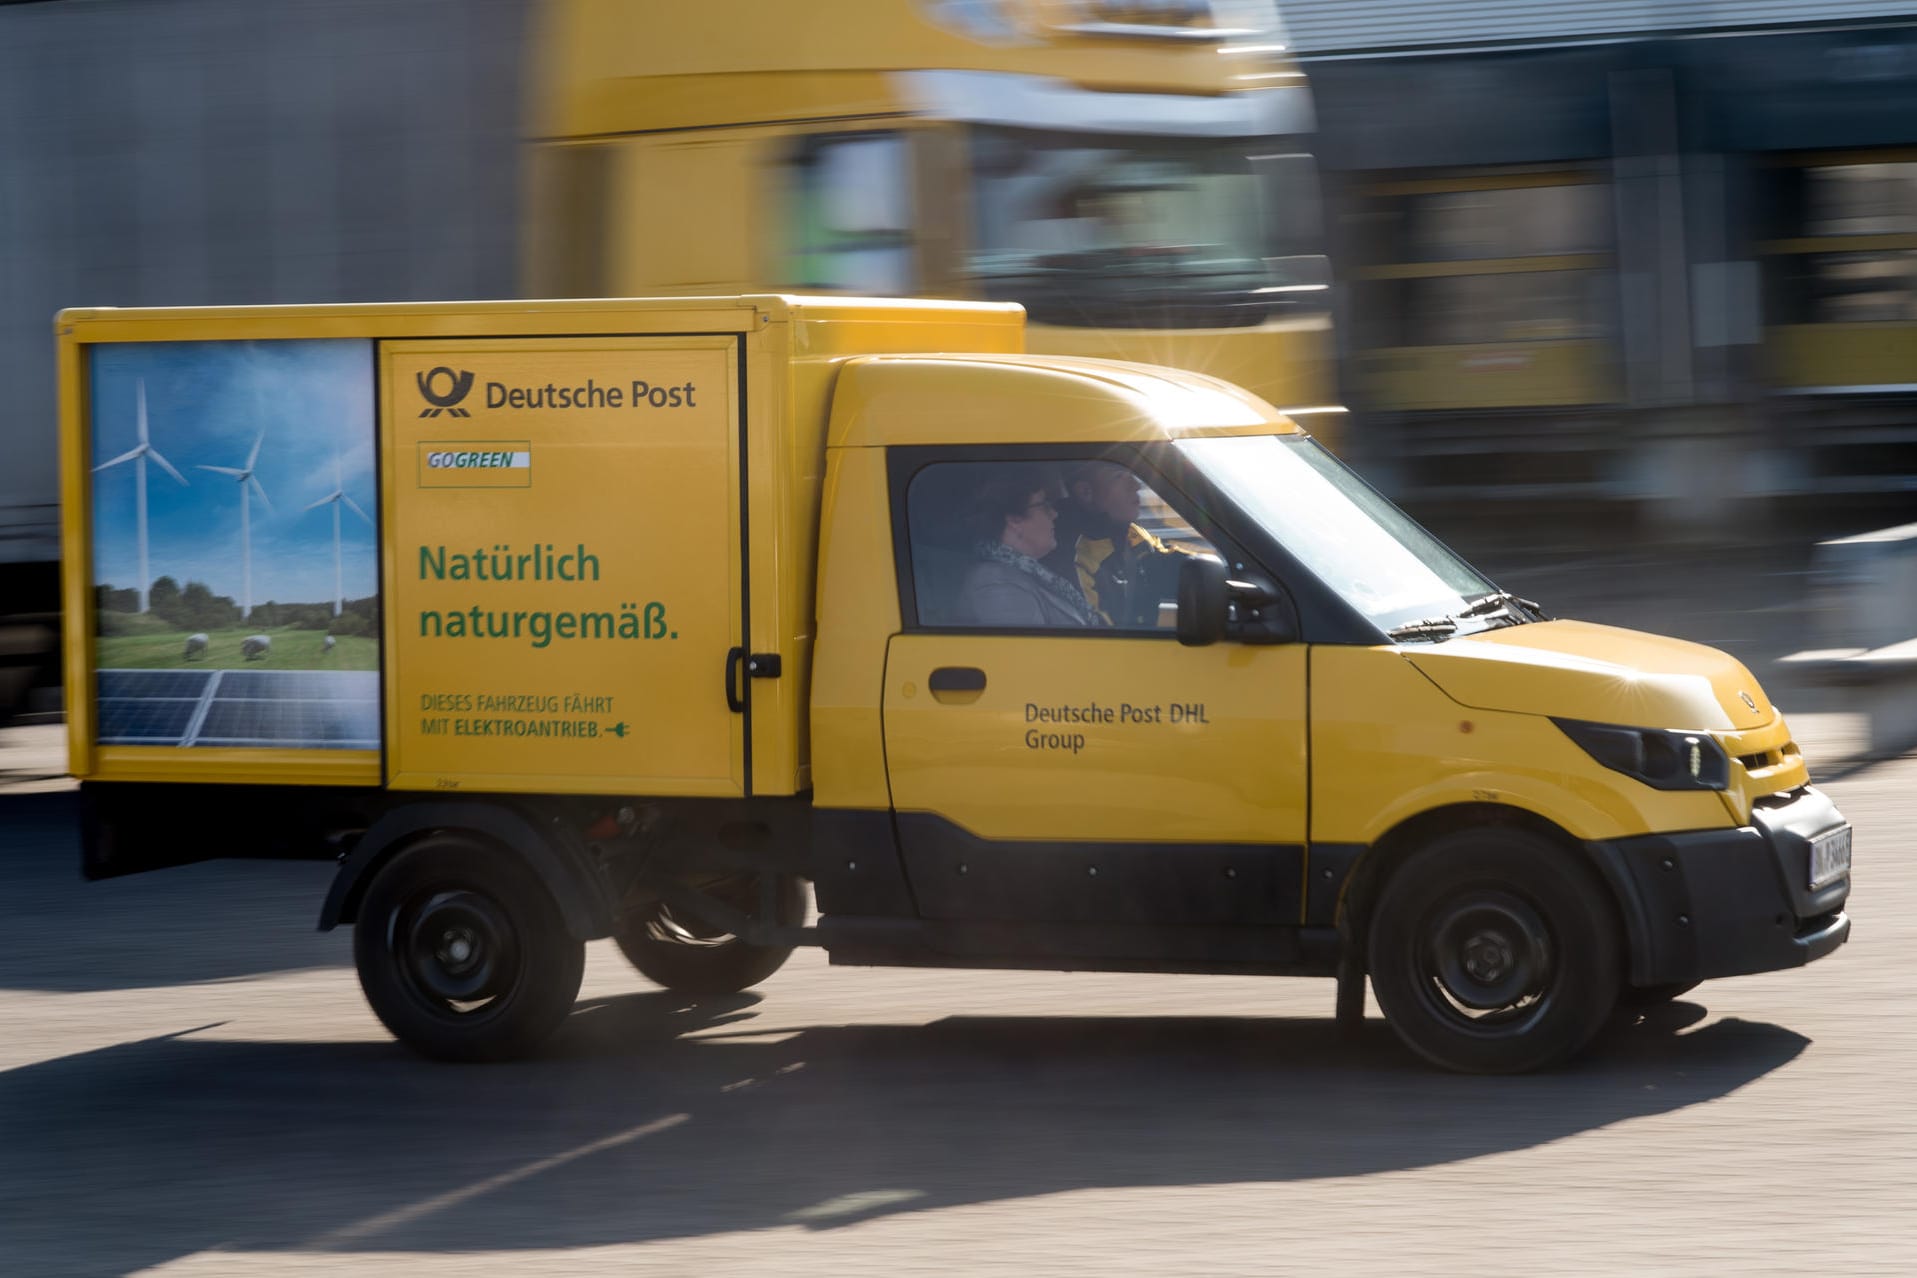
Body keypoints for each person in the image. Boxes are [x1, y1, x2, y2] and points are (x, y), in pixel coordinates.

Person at [1045, 460, 1191, 628]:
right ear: (1086, 492)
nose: (1136, 485)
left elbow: (1164, 563)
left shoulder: (1130, 533)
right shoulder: (1075, 558)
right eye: (1119, 476)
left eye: (1132, 475)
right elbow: (1099, 633)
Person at [953, 464, 1102, 628]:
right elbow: (1025, 652)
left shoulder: (1027, 574)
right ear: (1014, 520)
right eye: (1044, 505)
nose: (1054, 513)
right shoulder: (995, 584)